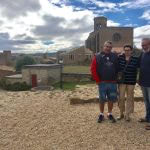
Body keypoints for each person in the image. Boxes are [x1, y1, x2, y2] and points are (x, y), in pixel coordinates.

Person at [90, 41, 118, 123]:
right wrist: (97, 80)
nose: (108, 48)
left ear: (111, 48)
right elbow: (93, 69)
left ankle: (109, 113)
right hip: (102, 82)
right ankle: (101, 114)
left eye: (110, 47)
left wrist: (116, 78)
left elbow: (117, 68)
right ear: (103, 46)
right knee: (102, 99)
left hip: (112, 82)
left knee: (111, 99)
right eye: (107, 46)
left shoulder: (114, 56)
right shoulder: (97, 56)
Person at [117, 44, 139, 121]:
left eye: (128, 50)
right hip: (122, 81)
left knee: (130, 98)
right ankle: (121, 113)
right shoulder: (120, 58)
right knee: (121, 98)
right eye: (125, 50)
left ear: (131, 51)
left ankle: (127, 115)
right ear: (124, 50)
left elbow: (140, 68)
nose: (126, 51)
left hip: (131, 81)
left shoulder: (136, 59)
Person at [138, 38, 150, 130]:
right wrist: (122, 55)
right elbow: (137, 63)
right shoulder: (142, 54)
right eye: (142, 45)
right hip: (143, 82)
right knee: (146, 102)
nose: (144, 46)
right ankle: (147, 118)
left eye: (145, 45)